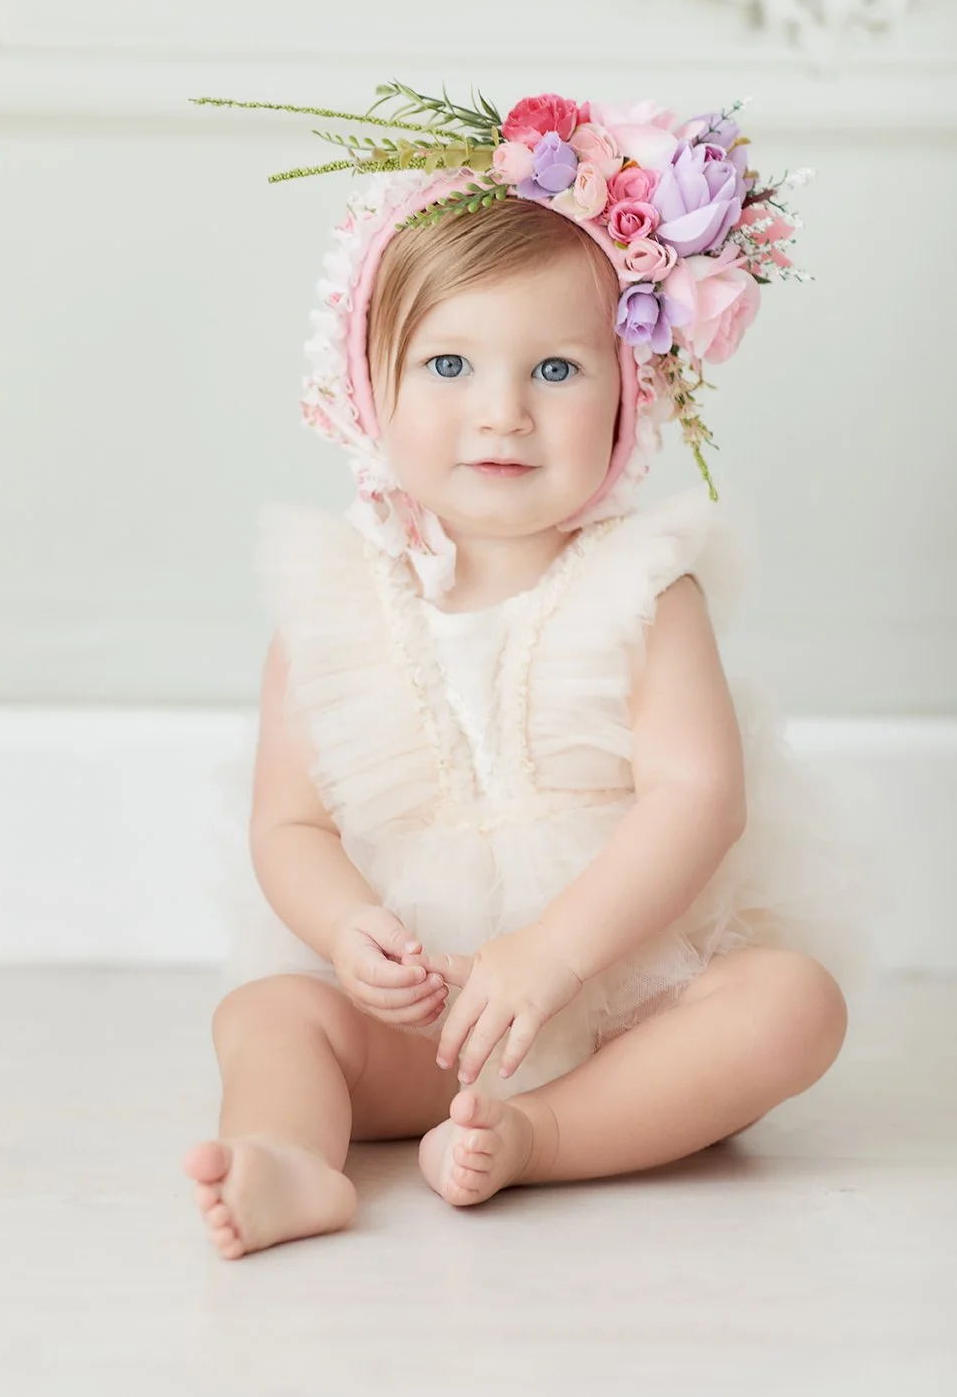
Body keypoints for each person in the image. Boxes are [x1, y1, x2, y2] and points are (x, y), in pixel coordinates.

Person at [182, 85, 869, 1259]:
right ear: (368, 388)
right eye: (448, 365)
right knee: (268, 1012)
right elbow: (289, 824)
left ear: (626, 395)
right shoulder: (330, 609)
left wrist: (552, 954)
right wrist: (349, 932)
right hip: (435, 1016)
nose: (500, 414)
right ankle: (294, 1161)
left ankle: (547, 1132)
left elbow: (698, 798)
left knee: (791, 1005)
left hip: (625, 998)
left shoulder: (646, 591)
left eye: (555, 371)